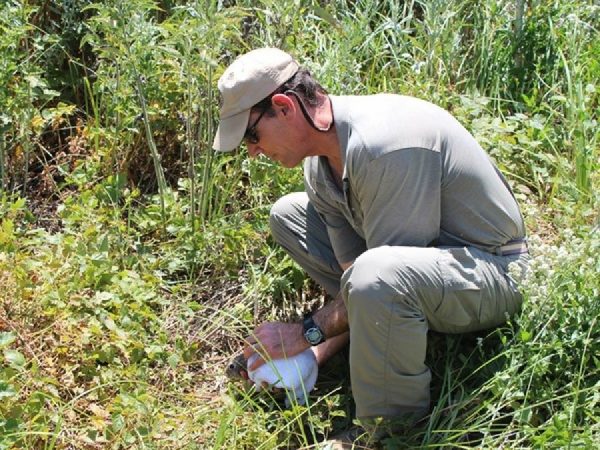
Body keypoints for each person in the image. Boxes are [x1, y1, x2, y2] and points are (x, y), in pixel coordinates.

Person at [212, 47, 528, 444]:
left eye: (251, 135)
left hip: (493, 271)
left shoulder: (384, 146)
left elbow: (378, 280)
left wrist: (306, 332)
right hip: (416, 274)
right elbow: (353, 281)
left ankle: (387, 430)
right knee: (288, 215)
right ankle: (369, 352)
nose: (254, 151)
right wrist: (311, 354)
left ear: (284, 106)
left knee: (377, 276)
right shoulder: (320, 162)